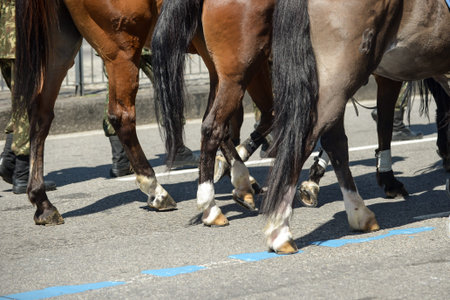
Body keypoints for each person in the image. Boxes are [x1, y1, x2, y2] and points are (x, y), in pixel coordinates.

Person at [103, 47, 199, 177]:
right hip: (146, 39)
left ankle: (120, 160)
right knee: (167, 85)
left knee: (116, 93)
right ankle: (177, 150)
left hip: (112, 41)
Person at [0, 0, 56, 193]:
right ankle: (22, 174)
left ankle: (9, 162)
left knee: (21, 106)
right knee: (29, 107)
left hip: (3, 42)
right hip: (20, 43)